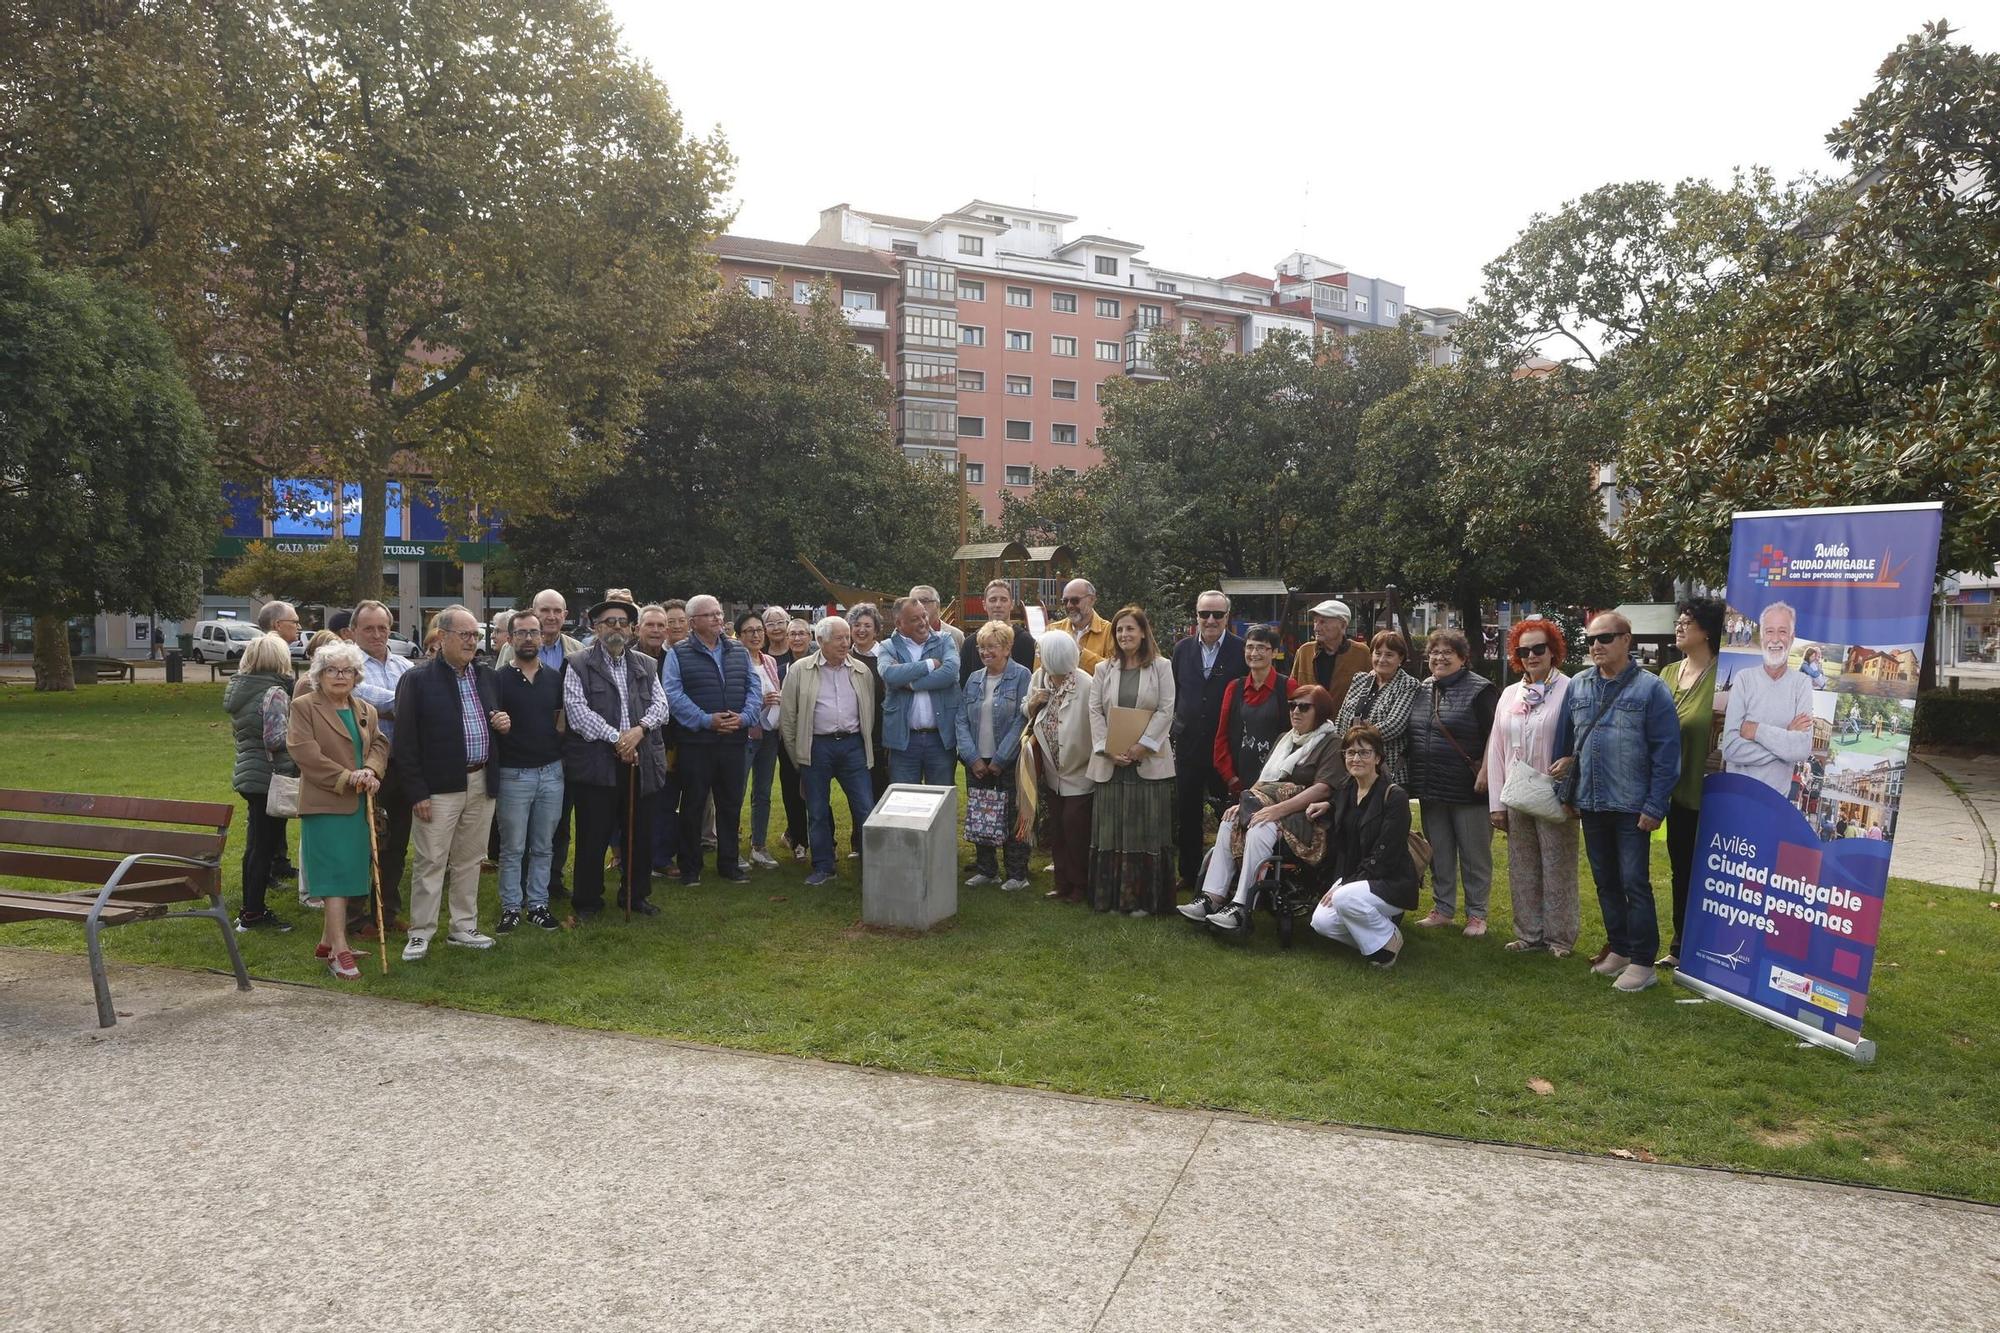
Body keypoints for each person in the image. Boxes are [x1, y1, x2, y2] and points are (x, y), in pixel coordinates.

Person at [1550, 612, 1681, 993]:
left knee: (1634, 883)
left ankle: (1643, 962)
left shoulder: (1651, 689)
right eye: (1591, 639)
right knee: (1605, 882)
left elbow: (1667, 753)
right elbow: (1566, 743)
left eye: (1605, 638)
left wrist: (1655, 805)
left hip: (1631, 805)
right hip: (1591, 802)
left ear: (1627, 640)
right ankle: (1620, 949)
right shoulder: (1578, 686)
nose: (1596, 646)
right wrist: (1569, 792)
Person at [1179, 684, 1341, 932]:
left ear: (1320, 712)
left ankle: (1242, 905)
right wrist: (1245, 802)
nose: (1295, 711)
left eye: (1304, 707)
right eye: (1292, 706)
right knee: (1229, 820)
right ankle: (1212, 898)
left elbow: (1322, 789)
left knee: (1259, 827)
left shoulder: (1331, 742)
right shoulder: (1284, 739)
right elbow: (1265, 781)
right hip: (1271, 808)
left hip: (1305, 816)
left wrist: (1276, 811)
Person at [393, 606, 506, 960]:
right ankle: (421, 932)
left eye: (476, 635)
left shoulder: (486, 676)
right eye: (465, 635)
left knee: (471, 859)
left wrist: (501, 724)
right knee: (431, 861)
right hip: (438, 787)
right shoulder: (418, 679)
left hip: (481, 779)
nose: (473, 642)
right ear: (442, 639)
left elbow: (490, 720)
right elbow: (405, 742)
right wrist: (417, 792)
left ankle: (463, 927)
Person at [287, 642, 390, 980]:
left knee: (348, 875)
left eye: (347, 670)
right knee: (333, 877)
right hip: (325, 803)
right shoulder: (304, 707)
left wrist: (372, 771)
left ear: (356, 675)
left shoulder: (364, 709)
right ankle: (339, 951)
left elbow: (379, 743)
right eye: (332, 670)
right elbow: (305, 753)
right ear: (319, 675)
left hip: (359, 805)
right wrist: (348, 776)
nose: (340, 676)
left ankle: (326, 941)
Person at [563, 598, 672, 912]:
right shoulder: (578, 664)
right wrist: (618, 740)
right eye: (609, 622)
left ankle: (635, 896)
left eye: (622, 622)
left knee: (640, 834)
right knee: (592, 835)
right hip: (597, 763)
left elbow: (661, 707)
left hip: (641, 763)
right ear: (596, 628)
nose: (616, 628)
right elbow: (577, 713)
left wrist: (639, 731)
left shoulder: (645, 664)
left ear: (631, 629)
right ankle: (587, 901)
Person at [1483, 617, 1579, 956]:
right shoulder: (1510, 693)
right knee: (1522, 865)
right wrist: (1496, 802)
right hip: (1516, 793)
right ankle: (1528, 933)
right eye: (1524, 651)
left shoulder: (1571, 688)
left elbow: (1580, 740)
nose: (1532, 655)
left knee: (1558, 864)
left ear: (1553, 651)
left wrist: (1571, 767)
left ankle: (1559, 938)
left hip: (1554, 792)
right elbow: (1496, 748)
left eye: (1539, 648)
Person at [663, 594, 763, 885]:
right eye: (711, 615)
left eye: (719, 614)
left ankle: (729, 864)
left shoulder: (738, 651)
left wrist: (744, 718)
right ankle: (690, 867)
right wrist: (706, 720)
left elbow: (753, 688)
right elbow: (673, 695)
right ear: (693, 622)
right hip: (697, 744)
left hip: (733, 741)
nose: (718, 619)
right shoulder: (678, 654)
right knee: (693, 805)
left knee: (730, 805)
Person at [1087, 605, 1178, 915]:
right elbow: (1095, 710)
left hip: (1148, 764)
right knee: (1113, 829)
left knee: (1144, 830)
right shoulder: (1103, 670)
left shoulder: (1161, 667)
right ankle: (1112, 900)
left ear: (1143, 632)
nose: (1124, 634)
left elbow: (1166, 710)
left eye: (1130, 629)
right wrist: (1106, 748)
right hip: (1111, 763)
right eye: (1119, 629)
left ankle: (1143, 901)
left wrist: (1143, 746)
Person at [1306, 721, 1419, 967]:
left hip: (1389, 880)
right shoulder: (1347, 789)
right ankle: (1381, 935)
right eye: (1350, 752)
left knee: (1344, 899)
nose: (1356, 758)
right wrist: (1328, 806)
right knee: (1321, 922)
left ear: (1378, 758)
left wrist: (1345, 885)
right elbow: (1350, 815)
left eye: (1364, 752)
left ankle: (1388, 941)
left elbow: (1385, 855)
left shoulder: (1394, 796)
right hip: (1356, 877)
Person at [1408, 628, 1498, 935]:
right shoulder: (1422, 689)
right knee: (1440, 853)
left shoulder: (1481, 690)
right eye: (1434, 652)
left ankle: (1477, 914)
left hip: (1469, 788)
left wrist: (1486, 772)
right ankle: (1443, 909)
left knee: (1474, 856)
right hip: (1431, 787)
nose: (1439, 657)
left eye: (1448, 652)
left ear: (1463, 657)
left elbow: (1495, 736)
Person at [779, 615, 878, 886]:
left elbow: (867, 712)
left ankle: (876, 865)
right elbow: (788, 720)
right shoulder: (800, 670)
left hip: (852, 746)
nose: (846, 642)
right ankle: (823, 866)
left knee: (865, 807)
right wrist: (798, 756)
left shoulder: (861, 671)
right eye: (839, 638)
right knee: (818, 810)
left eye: (847, 637)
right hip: (816, 747)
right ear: (820, 640)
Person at [1658, 597, 1724, 967]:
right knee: (1681, 869)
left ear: (1708, 631)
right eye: (1679, 620)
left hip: (1712, 795)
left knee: (1713, 875)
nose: (1679, 626)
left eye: (1688, 621)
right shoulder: (1667, 674)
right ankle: (1681, 946)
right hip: (1673, 795)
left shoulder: (1724, 676)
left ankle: (1712, 948)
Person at [491, 609, 566, 933]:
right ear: (510, 639)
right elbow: (490, 720)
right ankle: (511, 907)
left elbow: (561, 719)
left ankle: (537, 904)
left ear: (542, 637)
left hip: (551, 772)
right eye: (521, 632)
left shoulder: (554, 677)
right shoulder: (498, 680)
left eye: (533, 632)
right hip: (514, 775)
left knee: (543, 845)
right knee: (513, 847)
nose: (528, 638)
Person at [1170, 590, 1248, 891]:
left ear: (1227, 617)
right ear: (1196, 616)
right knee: (1187, 814)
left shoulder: (1242, 650)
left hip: (1225, 748)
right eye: (1205, 614)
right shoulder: (1182, 650)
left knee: (1227, 813)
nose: (1211, 620)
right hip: (1189, 746)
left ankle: (1229, 877)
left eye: (1217, 614)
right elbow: (1176, 693)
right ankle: (1188, 874)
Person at [224, 632, 300, 932]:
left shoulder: (240, 689)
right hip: (270, 777)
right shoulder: (275, 693)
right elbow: (275, 738)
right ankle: (253, 912)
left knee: (255, 845)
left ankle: (249, 908)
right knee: (263, 848)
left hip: (249, 772)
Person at [349, 600, 413, 937]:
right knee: (366, 843)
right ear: (354, 631)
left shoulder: (403, 664)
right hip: (366, 767)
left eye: (382, 628)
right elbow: (363, 699)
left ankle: (387, 913)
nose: (377, 634)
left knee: (398, 844)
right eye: (369, 628)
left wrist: (398, 705)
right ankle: (356, 918)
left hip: (403, 766)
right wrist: (405, 703)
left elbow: (397, 702)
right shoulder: (348, 665)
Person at [956, 620, 1034, 890]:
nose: (985, 652)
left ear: (1007, 648)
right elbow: (961, 720)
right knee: (981, 814)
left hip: (1008, 761)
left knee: (1014, 817)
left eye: (991, 647)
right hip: (978, 760)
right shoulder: (974, 679)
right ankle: (987, 871)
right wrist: (971, 757)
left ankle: (1017, 875)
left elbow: (1022, 720)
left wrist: (1001, 759)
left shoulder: (1023, 676)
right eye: (981, 647)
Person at [1022, 631, 1096, 904]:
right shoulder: (1039, 678)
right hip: (1052, 771)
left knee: (1076, 829)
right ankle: (1062, 883)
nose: (1039, 657)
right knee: (1058, 829)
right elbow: (1026, 709)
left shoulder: (1086, 684)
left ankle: (1081, 885)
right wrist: (1032, 703)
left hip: (1080, 770)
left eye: (1042, 653)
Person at [1721, 601, 1815, 794]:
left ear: (1792, 637)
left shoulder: (1802, 683)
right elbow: (1730, 749)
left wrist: (1756, 731)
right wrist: (1784, 742)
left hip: (1776, 801)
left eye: (1782, 631)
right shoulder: (1744, 679)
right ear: (1762, 636)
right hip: (1737, 794)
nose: (1775, 639)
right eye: (1769, 631)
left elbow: (1802, 748)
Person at [531, 589, 583, 898]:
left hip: (567, 748)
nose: (551, 616)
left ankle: (553, 879)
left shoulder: (577, 650)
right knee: (527, 821)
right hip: (527, 747)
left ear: (565, 615)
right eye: (545, 610)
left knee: (561, 819)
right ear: (534, 612)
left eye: (557, 611)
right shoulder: (516, 647)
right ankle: (527, 880)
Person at [879, 596, 960, 786]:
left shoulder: (944, 640)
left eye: (924, 616)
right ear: (899, 623)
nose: (923, 622)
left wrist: (911, 684)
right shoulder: (888, 647)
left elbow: (950, 672)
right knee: (905, 802)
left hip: (939, 739)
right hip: (904, 741)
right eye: (915, 619)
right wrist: (930, 664)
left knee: (941, 801)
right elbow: (889, 674)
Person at [1210, 625, 1295, 803]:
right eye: (1250, 647)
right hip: (1240, 782)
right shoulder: (1234, 688)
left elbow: (1299, 736)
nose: (1254, 653)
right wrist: (1231, 778)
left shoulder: (1288, 687)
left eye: (1261, 647)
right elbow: (1221, 736)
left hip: (1276, 784)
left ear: (1274, 652)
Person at [1334, 630, 1418, 788]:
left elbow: (1394, 725)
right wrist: (1345, 749)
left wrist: (1354, 741)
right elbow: (1341, 718)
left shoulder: (1408, 684)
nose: (1382, 659)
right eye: (1377, 653)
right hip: (1353, 767)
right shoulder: (1360, 679)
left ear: (1400, 658)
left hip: (1388, 770)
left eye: (1389, 654)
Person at [738, 610, 787, 868]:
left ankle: (759, 846)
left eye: (759, 630)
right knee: (737, 791)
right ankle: (731, 848)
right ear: (740, 635)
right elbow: (735, 700)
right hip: (745, 735)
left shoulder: (768, 661)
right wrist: (759, 705)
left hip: (768, 733)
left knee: (764, 792)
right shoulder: (735, 661)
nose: (756, 635)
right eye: (749, 631)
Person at [847, 602, 892, 851]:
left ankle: (882, 844)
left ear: (876, 630)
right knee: (858, 793)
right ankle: (859, 843)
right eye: (857, 625)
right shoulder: (845, 657)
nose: (862, 630)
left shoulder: (886, 657)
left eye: (867, 626)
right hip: (854, 735)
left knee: (881, 789)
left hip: (881, 734)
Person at [1289, 599, 1370, 705]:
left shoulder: (1361, 653)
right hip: (1311, 720)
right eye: (1315, 621)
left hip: (1344, 720)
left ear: (1343, 625)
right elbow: (1292, 689)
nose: (1316, 628)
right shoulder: (1304, 651)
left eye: (1323, 622)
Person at [961, 579, 1039, 682]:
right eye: (993, 600)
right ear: (984, 604)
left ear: (1011, 604)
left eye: (1003, 600)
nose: (998, 604)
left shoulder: (1026, 642)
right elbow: (963, 685)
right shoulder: (970, 644)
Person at [1059, 579, 1114, 665]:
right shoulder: (1052, 630)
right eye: (1065, 601)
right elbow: (1039, 673)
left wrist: (1081, 654)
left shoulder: (1109, 632)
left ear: (1091, 600)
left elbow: (1113, 670)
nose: (1069, 605)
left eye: (1075, 600)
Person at [908, 585, 964, 651]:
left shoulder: (955, 635)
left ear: (937, 605)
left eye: (924, 601)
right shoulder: (901, 635)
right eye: (914, 602)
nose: (920, 605)